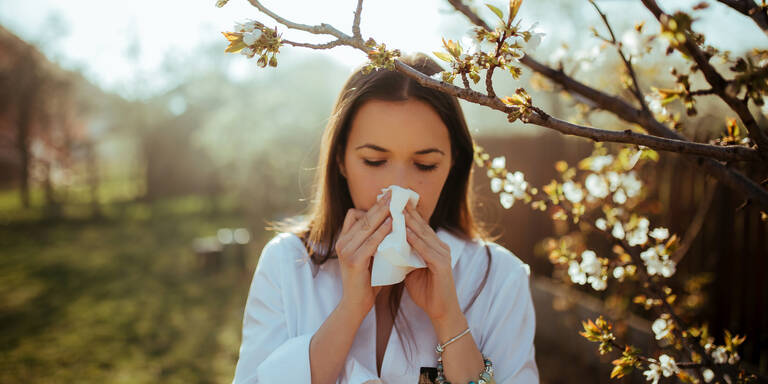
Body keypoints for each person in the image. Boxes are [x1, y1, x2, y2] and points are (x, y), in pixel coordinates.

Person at [231, 52, 539, 384]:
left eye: (425, 165)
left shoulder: (498, 277)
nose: (398, 190)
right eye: (374, 161)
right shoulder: (287, 263)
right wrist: (350, 310)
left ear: (453, 164)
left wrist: (448, 318)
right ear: (341, 159)